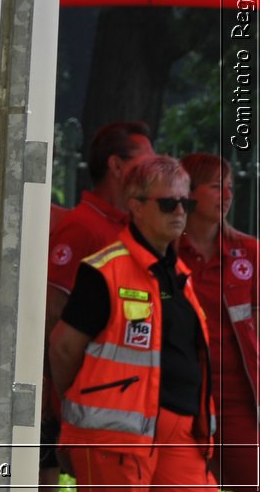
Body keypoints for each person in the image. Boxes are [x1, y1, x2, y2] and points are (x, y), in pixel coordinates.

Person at [51, 154, 216, 489]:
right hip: (116, 439)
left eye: (186, 202)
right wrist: (91, 403)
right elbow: (63, 349)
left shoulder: (178, 274)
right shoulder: (104, 271)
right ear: (136, 206)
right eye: (169, 203)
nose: (181, 212)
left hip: (180, 433)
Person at [41, 120, 154, 481]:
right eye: (143, 161)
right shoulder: (85, 226)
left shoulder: (123, 228)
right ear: (116, 166)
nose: (151, 170)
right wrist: (56, 392)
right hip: (81, 399)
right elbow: (50, 311)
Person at [179, 153, 259, 492]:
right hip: (180, 398)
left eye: (229, 187)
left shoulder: (250, 252)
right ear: (188, 192)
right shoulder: (165, 251)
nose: (226, 195)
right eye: (215, 187)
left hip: (238, 398)